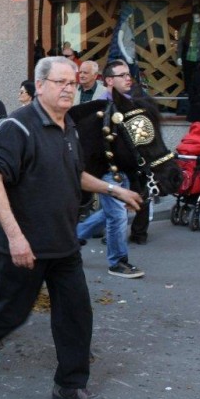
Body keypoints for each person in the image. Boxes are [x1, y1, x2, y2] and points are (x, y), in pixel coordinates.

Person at [0, 56, 141, 399]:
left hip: (63, 243)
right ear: (40, 86)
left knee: (76, 312)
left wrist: (114, 189)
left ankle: (69, 384)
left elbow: (74, 174)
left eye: (73, 83)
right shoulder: (17, 127)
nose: (69, 88)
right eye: (61, 82)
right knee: (10, 313)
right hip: (24, 246)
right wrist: (16, 237)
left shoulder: (69, 127)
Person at [76, 59, 146, 279]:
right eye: (122, 75)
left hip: (126, 169)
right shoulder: (98, 108)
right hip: (106, 170)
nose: (128, 78)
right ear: (108, 81)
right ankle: (117, 261)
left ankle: (74, 237)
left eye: (128, 75)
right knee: (116, 216)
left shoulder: (132, 104)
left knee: (110, 212)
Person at [178, 9, 200, 90]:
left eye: (197, 12)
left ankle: (198, 92)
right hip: (188, 55)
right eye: (195, 12)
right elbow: (180, 41)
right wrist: (179, 56)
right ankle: (188, 92)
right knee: (187, 76)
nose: (196, 14)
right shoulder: (186, 25)